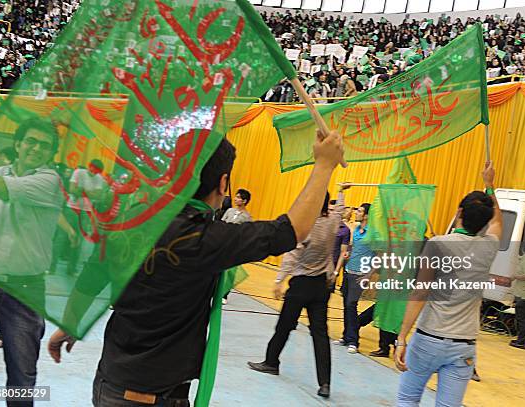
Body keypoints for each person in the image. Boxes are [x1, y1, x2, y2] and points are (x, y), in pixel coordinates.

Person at [48, 130, 344, 406]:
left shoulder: (132, 218)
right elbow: (291, 231)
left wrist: (69, 324)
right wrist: (324, 165)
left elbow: (91, 277)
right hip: (152, 395)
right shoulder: (206, 238)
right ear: (224, 183)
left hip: (110, 382)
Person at [395, 161, 503, 407]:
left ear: (459, 213)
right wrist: (490, 185)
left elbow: (420, 292)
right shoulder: (489, 246)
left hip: (428, 338)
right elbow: (498, 223)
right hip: (464, 345)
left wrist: (402, 337)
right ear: (484, 221)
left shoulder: (438, 244)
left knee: (407, 399)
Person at [0, 118, 63, 406]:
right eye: (30, 141)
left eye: (44, 145)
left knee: (21, 378)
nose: (36, 148)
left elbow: (4, 189)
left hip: (24, 291)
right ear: (18, 144)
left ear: (50, 153)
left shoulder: (49, 181)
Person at [248, 184, 348, 399]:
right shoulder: (333, 223)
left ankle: (271, 362)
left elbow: (291, 256)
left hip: (301, 285)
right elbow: (339, 210)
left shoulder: (306, 227)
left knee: (284, 326)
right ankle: (325, 383)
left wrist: (278, 280)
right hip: (321, 287)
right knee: (320, 334)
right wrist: (342, 192)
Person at [333, 202, 373, 354]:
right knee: (346, 305)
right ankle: (346, 336)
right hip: (349, 271)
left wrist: (369, 274)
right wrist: (348, 253)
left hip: (360, 275)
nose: (357, 212)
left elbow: (380, 256)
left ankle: (353, 341)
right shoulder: (356, 230)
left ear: (367, 215)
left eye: (360, 211)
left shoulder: (373, 233)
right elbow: (353, 248)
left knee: (351, 304)